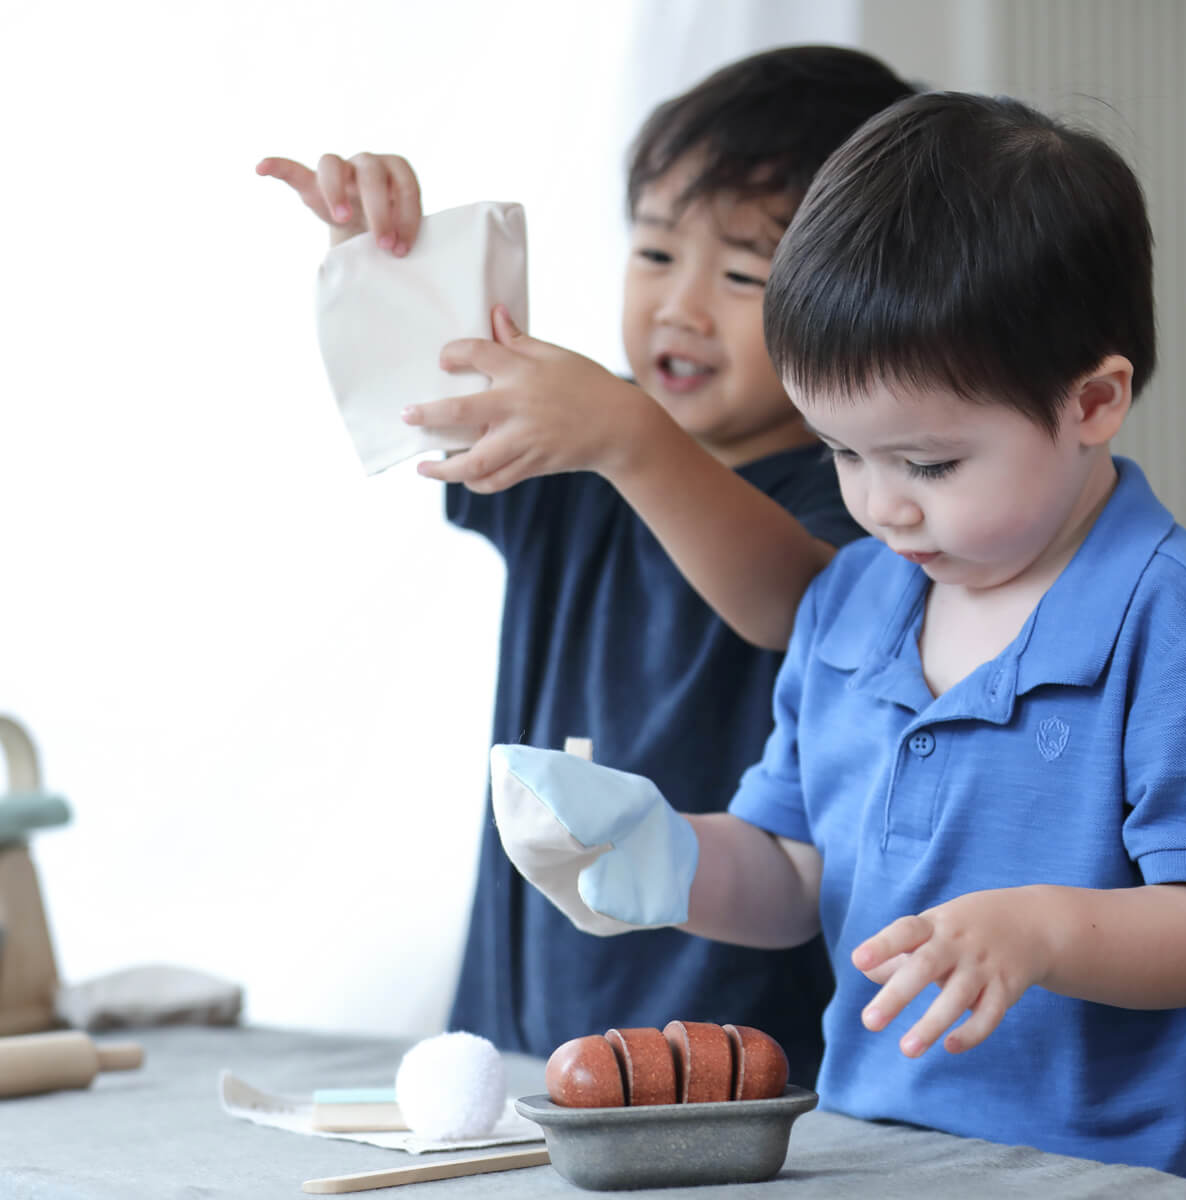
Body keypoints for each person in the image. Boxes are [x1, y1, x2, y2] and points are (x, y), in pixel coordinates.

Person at [491, 90, 1186, 1177]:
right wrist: (665, 854)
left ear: (1093, 402)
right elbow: (793, 878)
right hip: (872, 1150)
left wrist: (1045, 933)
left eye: (928, 463)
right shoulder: (851, 605)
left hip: (1104, 1169)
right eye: (842, 452)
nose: (881, 507)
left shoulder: (1167, 619)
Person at [258, 46, 916, 1086]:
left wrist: (630, 436)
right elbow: (427, 391)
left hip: (728, 1032)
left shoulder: (863, 491)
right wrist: (380, 265)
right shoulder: (587, 439)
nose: (681, 306)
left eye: (742, 274)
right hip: (522, 1010)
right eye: (655, 252)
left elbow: (797, 602)